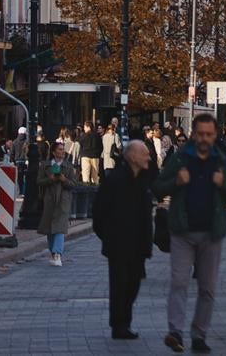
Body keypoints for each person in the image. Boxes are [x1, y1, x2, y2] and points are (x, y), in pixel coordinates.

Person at [154, 113, 226, 353]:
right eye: (200, 134)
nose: (204, 138)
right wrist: (176, 182)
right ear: (193, 134)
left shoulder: (221, 161)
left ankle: (199, 335)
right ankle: (175, 332)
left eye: (209, 134)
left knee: (207, 288)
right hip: (182, 232)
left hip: (211, 233)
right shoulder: (180, 158)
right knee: (179, 282)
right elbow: (158, 187)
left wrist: (222, 184)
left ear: (215, 135)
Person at [93, 140, 156, 340]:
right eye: (144, 154)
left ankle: (124, 322)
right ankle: (119, 325)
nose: (148, 157)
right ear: (132, 157)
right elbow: (99, 211)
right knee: (120, 285)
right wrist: (109, 236)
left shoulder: (143, 179)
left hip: (139, 244)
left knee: (133, 285)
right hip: (119, 245)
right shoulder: (115, 180)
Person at [38, 140, 76, 266]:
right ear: (54, 152)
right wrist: (50, 179)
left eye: (63, 149)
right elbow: (39, 181)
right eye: (60, 149)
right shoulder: (45, 165)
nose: (62, 151)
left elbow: (73, 184)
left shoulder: (68, 166)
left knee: (60, 227)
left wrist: (64, 180)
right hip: (49, 199)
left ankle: (57, 253)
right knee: (50, 229)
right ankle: (53, 253)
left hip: (63, 200)